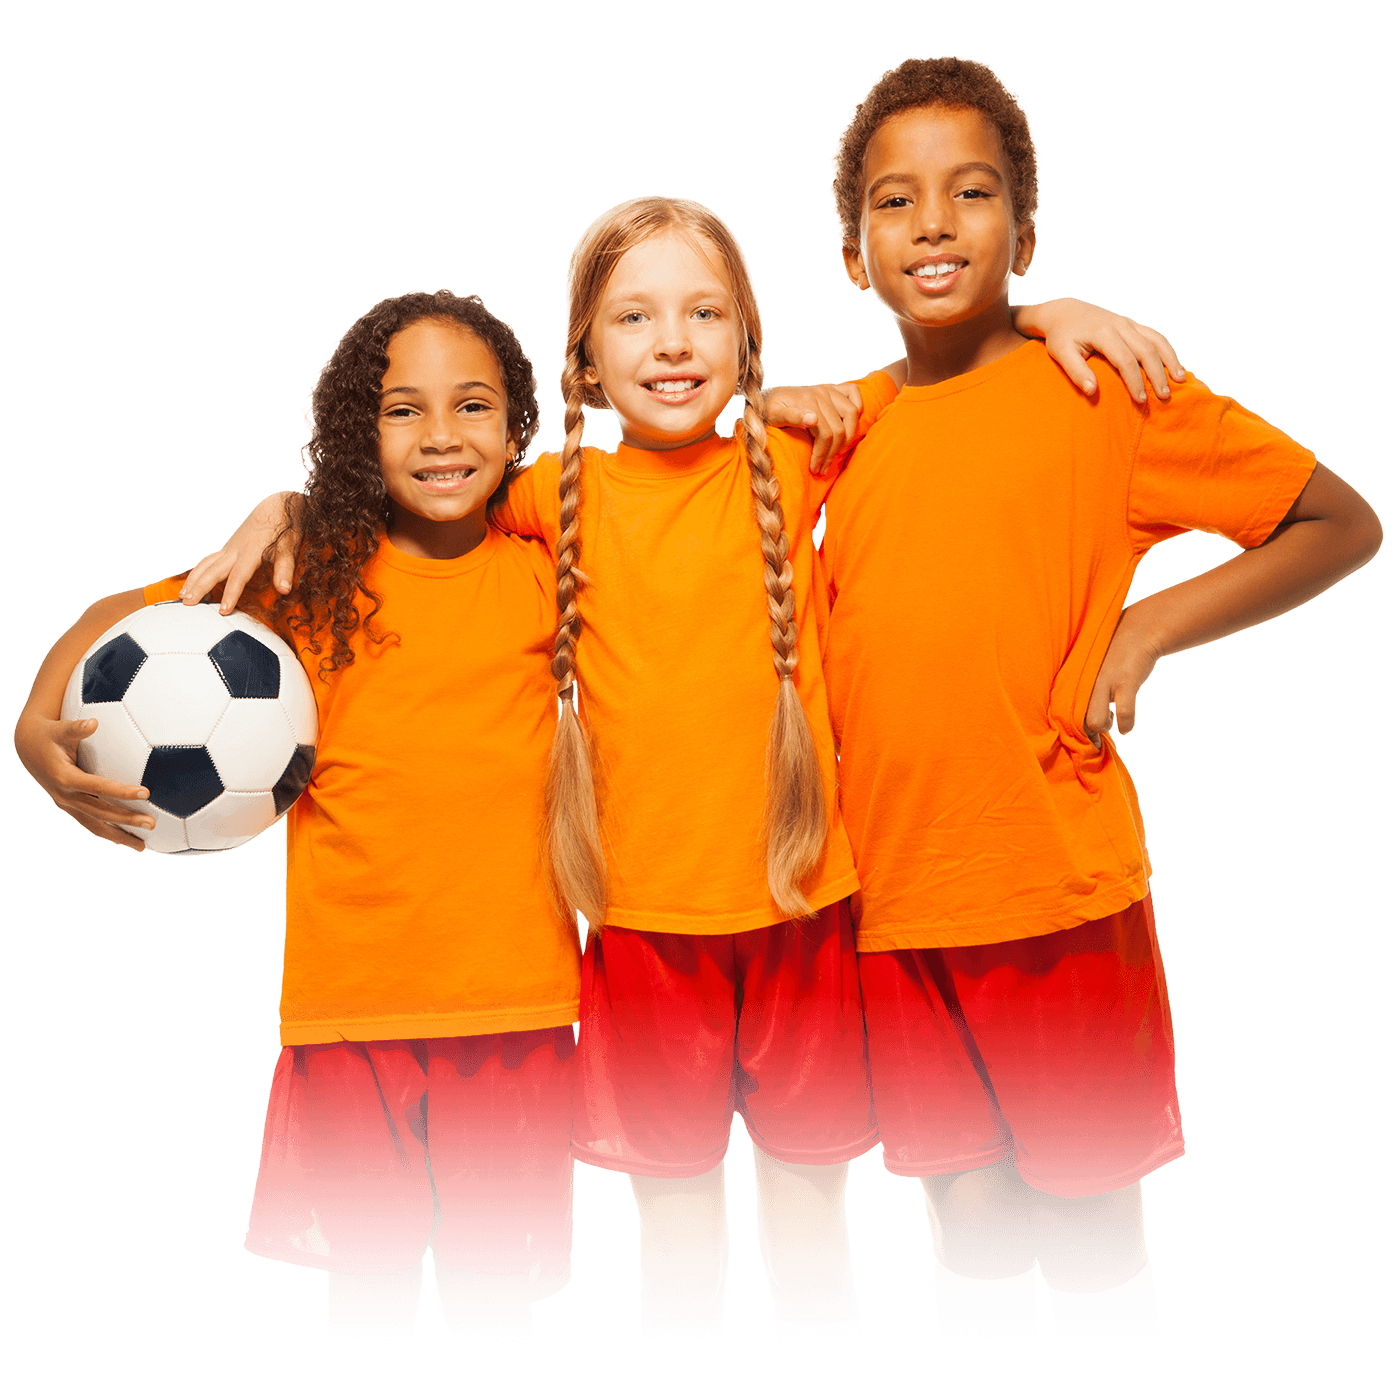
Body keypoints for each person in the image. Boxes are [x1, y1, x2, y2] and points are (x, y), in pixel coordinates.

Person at [186, 197, 1188, 1344]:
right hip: (639, 939)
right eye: (634, 316)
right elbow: (414, 494)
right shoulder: (551, 499)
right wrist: (289, 500)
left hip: (803, 916)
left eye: (702, 312)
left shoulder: (806, 447)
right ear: (586, 365)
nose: (671, 342)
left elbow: (949, 372)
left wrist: (1042, 308)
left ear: (746, 346)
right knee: (675, 1253)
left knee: (813, 1252)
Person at [820, 55, 1384, 1345]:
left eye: (969, 195)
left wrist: (1149, 622)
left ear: (1021, 227)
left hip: (1056, 885)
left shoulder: (1099, 389)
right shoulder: (833, 431)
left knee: (1086, 1218)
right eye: (895, 203)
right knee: (963, 1213)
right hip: (891, 904)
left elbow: (1333, 519)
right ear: (852, 251)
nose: (932, 226)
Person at [13, 290, 589, 1347]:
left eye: (471, 405)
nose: (441, 435)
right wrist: (33, 730)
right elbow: (116, 620)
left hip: (515, 1014)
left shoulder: (549, 573)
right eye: (401, 410)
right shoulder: (304, 577)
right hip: (347, 1015)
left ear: (518, 428)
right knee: (364, 1292)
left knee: (490, 1298)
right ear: (353, 435)